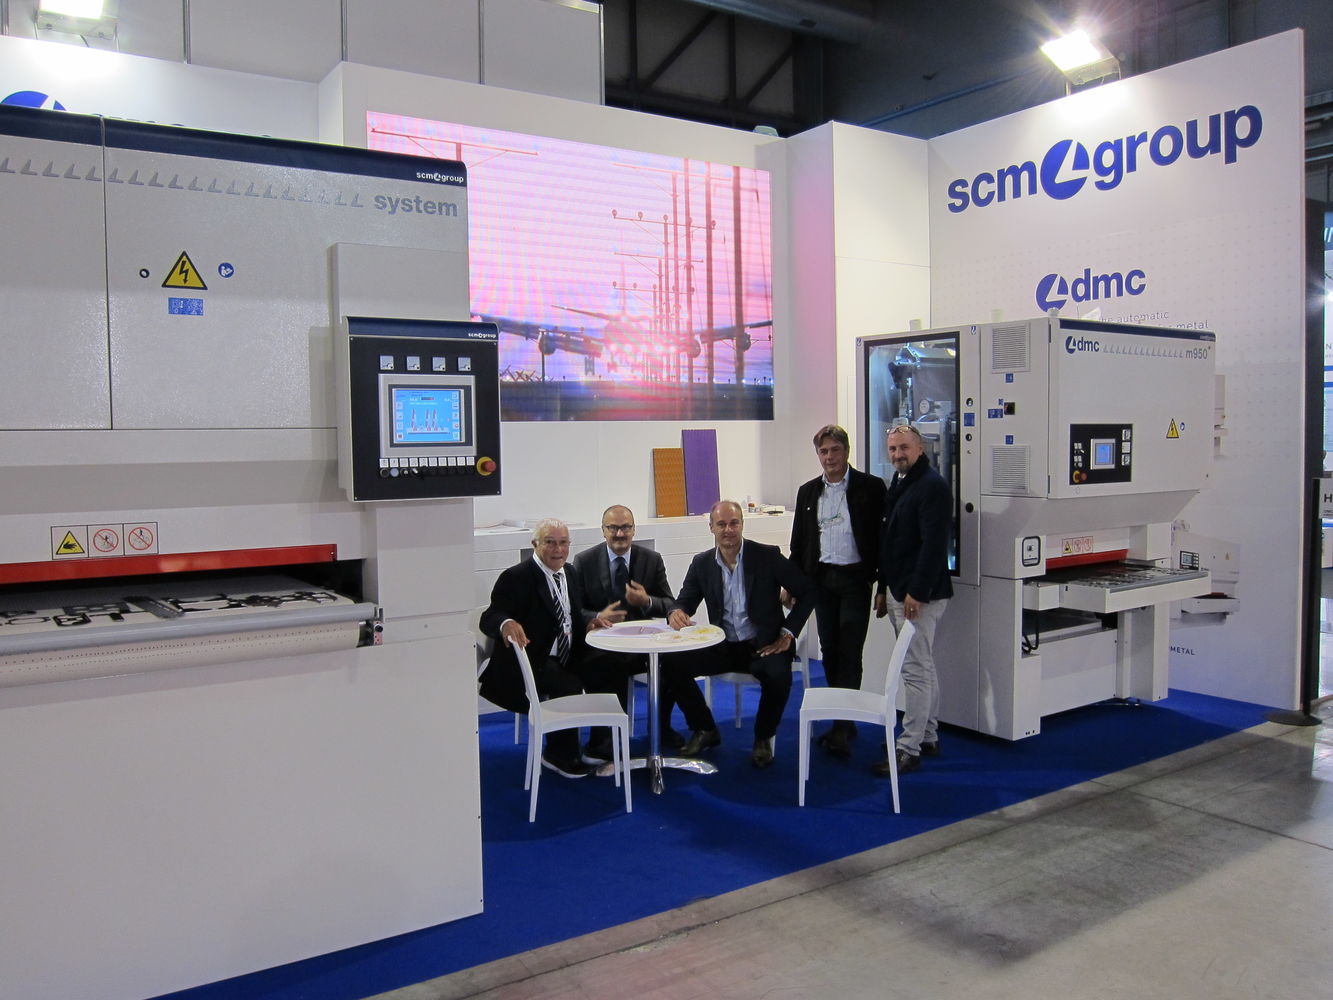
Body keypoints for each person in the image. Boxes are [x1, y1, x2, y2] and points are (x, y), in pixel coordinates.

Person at [664, 500, 816, 768]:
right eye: (721, 524)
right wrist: (675, 612)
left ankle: (763, 737)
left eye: (734, 523)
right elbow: (684, 601)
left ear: (742, 525)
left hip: (764, 644)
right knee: (672, 663)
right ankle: (704, 728)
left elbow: (808, 592)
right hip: (723, 645)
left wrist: (788, 632)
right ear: (711, 528)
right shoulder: (702, 563)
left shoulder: (766, 556)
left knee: (778, 676)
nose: (728, 530)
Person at [479, 517, 615, 779]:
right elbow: (490, 616)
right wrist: (506, 623)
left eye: (564, 543)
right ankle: (558, 755)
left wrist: (589, 622)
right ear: (535, 544)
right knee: (568, 684)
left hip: (567, 652)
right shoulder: (516, 577)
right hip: (535, 658)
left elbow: (571, 615)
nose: (558, 550)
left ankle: (599, 746)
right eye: (550, 542)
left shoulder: (570, 573)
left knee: (608, 665)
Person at [789, 424, 887, 758]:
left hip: (856, 580)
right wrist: (793, 583)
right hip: (822, 580)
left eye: (835, 450)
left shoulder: (870, 488)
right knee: (830, 649)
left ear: (846, 451)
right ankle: (843, 718)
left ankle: (843, 724)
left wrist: (883, 585)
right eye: (823, 451)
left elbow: (883, 541)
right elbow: (799, 543)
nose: (829, 457)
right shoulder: (808, 492)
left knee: (850, 649)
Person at [873, 424, 953, 775]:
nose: (897, 455)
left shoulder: (932, 486)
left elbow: (934, 546)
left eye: (904, 448)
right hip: (899, 589)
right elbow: (890, 540)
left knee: (914, 670)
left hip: (918, 595)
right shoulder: (901, 481)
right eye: (893, 449)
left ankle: (909, 748)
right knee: (923, 665)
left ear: (920, 448)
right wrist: (882, 587)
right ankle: (927, 735)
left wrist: (916, 593)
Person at [571, 504, 678, 760]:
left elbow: (669, 603)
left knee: (676, 663)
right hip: (602, 646)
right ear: (603, 530)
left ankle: (660, 729)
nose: (620, 534)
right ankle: (604, 739)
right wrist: (597, 616)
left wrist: (647, 601)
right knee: (606, 666)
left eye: (626, 527)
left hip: (642, 644)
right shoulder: (584, 561)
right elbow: (574, 610)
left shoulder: (651, 559)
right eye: (613, 528)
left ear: (634, 529)